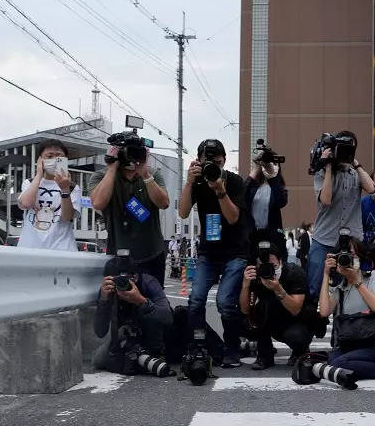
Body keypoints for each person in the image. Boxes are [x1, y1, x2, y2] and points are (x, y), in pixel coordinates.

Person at [179, 138, 249, 369]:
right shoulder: (196, 182)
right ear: (198, 161)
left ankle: (232, 349)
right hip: (208, 251)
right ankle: (198, 347)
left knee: (225, 302)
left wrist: (220, 190)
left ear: (224, 161)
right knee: (196, 299)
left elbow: (233, 218)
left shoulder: (235, 181)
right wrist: (189, 182)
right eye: (207, 162)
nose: (212, 167)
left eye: (217, 162)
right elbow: (182, 212)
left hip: (235, 251)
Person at [312, 244, 375, 386]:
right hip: (350, 346)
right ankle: (353, 369)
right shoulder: (340, 286)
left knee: (339, 363)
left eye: (352, 255)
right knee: (330, 361)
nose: (347, 260)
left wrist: (357, 282)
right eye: (343, 257)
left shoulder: (373, 277)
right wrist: (325, 274)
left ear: (360, 258)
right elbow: (324, 311)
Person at [88, 135, 169, 283]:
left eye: (136, 151)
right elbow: (98, 203)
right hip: (119, 254)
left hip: (152, 253)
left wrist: (145, 174)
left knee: (154, 300)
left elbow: (164, 203)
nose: (132, 156)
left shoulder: (153, 174)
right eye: (127, 151)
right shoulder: (101, 176)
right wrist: (112, 168)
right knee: (121, 301)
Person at [310, 132, 375, 298]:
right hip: (324, 238)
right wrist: (329, 166)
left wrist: (355, 163)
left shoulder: (356, 174)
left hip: (351, 241)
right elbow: (326, 200)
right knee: (314, 286)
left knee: (349, 286)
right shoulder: (322, 172)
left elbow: (372, 189)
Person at [92, 254, 176, 377]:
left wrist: (140, 300)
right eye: (116, 280)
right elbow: (100, 331)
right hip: (126, 339)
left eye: (125, 279)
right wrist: (104, 301)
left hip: (152, 335)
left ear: (135, 277)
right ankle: (138, 357)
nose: (121, 284)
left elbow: (167, 318)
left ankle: (144, 356)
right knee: (98, 359)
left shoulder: (148, 282)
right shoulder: (108, 290)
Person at [240, 230, 312, 370]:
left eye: (272, 266)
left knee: (297, 336)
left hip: (295, 321)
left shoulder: (294, 273)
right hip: (270, 319)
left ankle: (300, 351)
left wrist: (277, 288)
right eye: (263, 266)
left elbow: (296, 309)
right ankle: (264, 355)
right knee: (257, 310)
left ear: (280, 262)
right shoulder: (255, 276)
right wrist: (245, 285)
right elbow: (244, 310)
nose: (267, 270)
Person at [17, 139, 79, 252]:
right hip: (29, 248)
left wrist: (65, 189)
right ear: (40, 160)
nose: (54, 160)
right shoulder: (30, 183)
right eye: (49, 156)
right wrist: (39, 174)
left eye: (58, 156)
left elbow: (67, 217)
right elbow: (26, 203)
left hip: (62, 249)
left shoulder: (73, 187)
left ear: (65, 159)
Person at [243, 155, 288, 238]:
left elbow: (281, 202)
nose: (268, 166)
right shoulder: (252, 186)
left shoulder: (277, 186)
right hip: (252, 234)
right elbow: (241, 197)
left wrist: (273, 177)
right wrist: (254, 172)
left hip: (272, 234)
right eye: (266, 164)